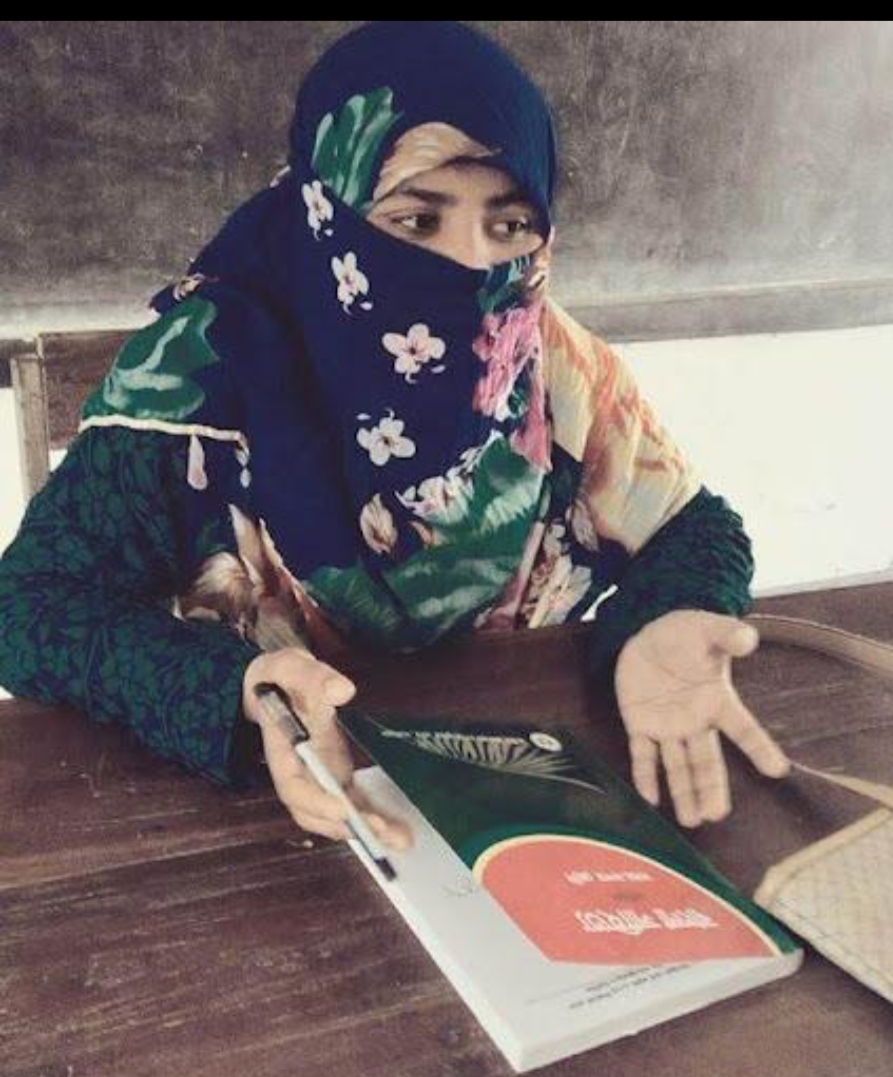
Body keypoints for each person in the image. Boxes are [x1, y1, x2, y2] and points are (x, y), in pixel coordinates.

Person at [0, 20, 789, 852]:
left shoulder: (548, 362)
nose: (470, 267)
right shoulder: (198, 373)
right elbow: (27, 607)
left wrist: (665, 615)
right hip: (257, 824)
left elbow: (692, 528)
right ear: (324, 213)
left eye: (508, 225)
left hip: (504, 799)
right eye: (416, 220)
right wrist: (235, 688)